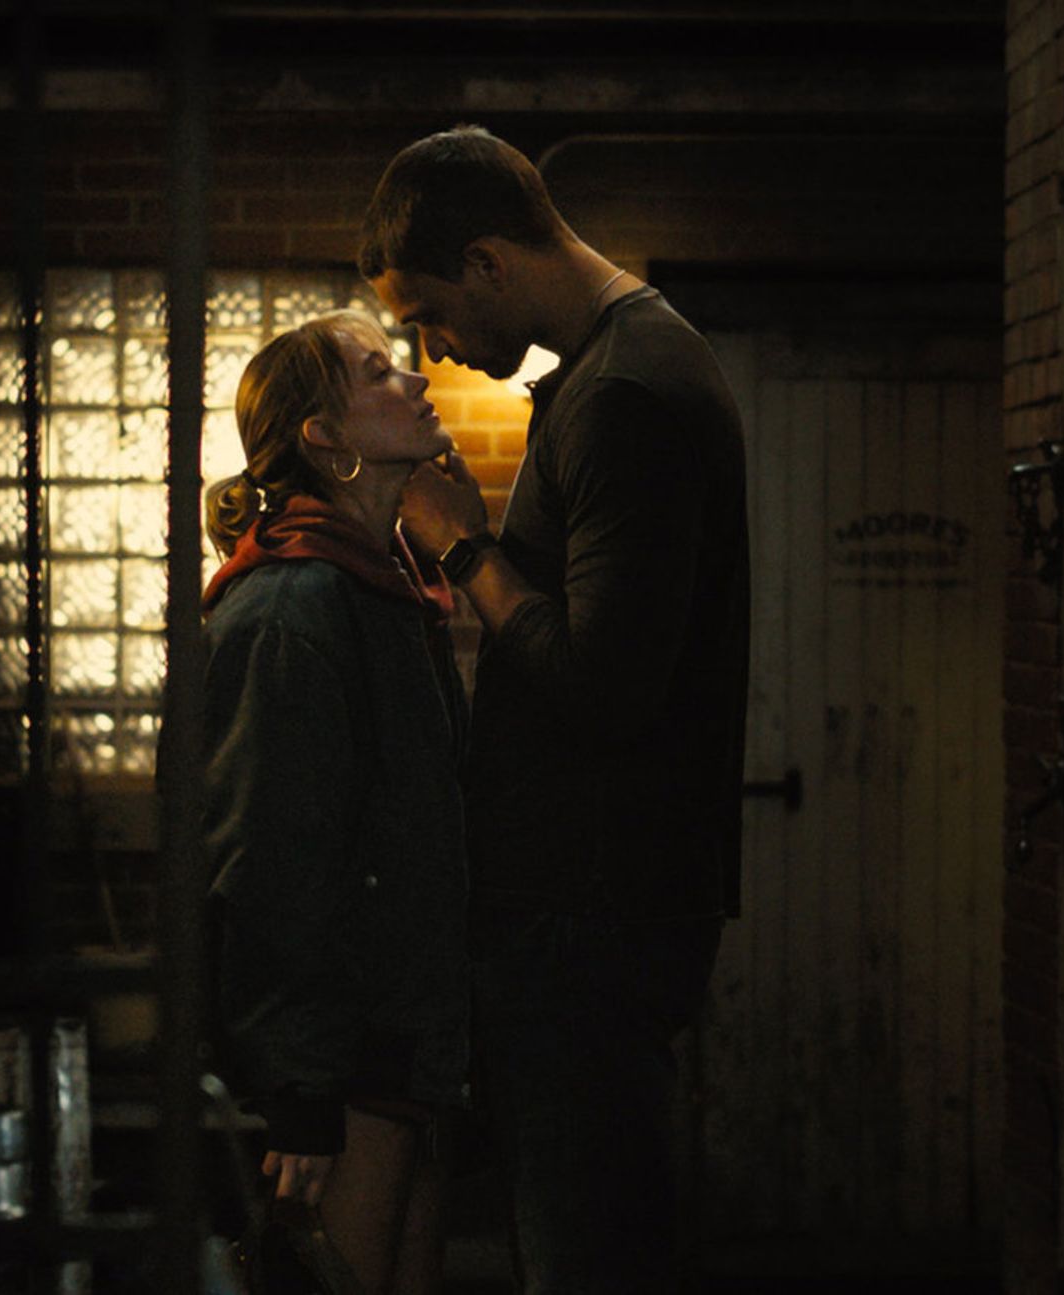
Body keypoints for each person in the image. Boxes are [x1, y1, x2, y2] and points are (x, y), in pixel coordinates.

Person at [358, 125, 749, 1293]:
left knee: (587, 1250)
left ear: (487, 262)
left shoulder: (625, 391)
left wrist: (465, 547)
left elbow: (602, 684)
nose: (434, 349)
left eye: (432, 314)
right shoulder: (614, 367)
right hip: (592, 902)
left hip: (592, 911)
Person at [201, 309, 471, 1294]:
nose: (416, 380)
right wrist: (301, 1091)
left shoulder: (385, 591)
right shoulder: (293, 607)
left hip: (399, 1053)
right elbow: (269, 863)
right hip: (346, 1066)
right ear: (324, 436)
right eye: (379, 373)